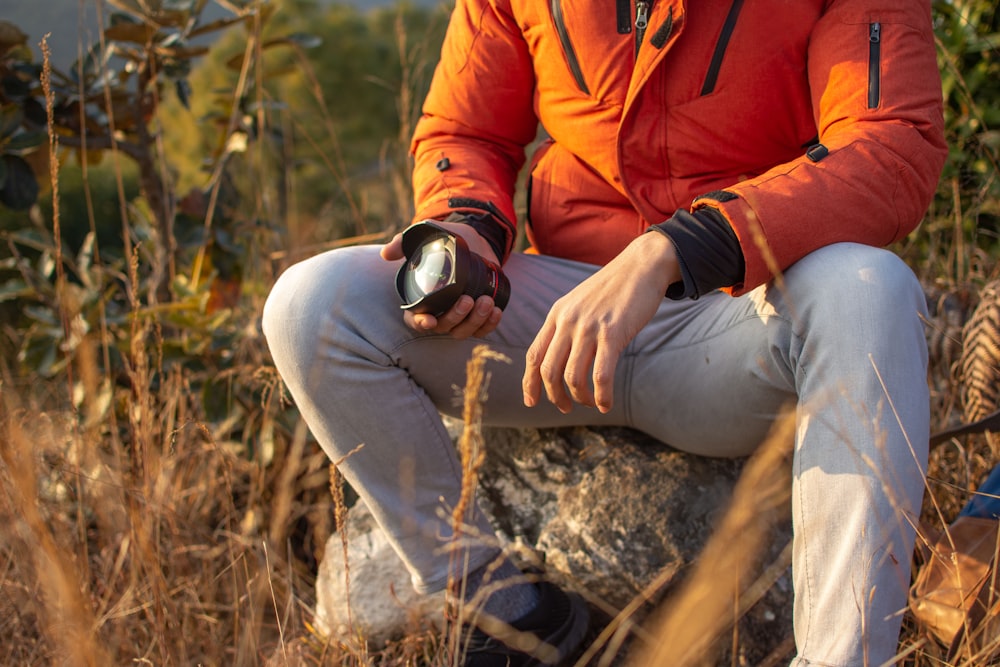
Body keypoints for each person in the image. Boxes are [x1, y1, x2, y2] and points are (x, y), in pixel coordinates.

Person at [262, 0, 947, 664]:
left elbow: (890, 145)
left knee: (869, 286)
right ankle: (493, 607)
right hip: (554, 329)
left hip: (744, 317)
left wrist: (671, 250)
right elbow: (465, 133)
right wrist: (465, 227)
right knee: (311, 303)